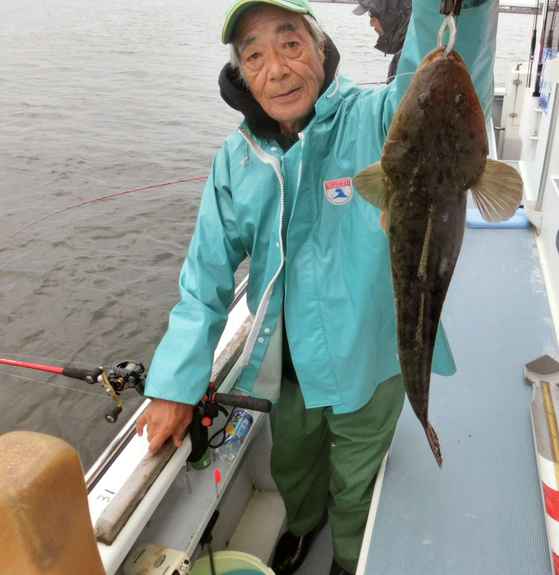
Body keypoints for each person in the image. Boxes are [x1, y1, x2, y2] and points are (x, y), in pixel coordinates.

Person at [135, 1, 498, 574]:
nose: (276, 69)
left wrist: (463, 8)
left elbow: (437, 74)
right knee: (294, 468)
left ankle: (349, 558)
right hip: (288, 372)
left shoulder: (376, 118)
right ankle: (304, 527)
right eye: (253, 55)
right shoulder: (236, 160)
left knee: (356, 482)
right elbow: (203, 282)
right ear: (241, 75)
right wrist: (175, 384)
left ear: (321, 51)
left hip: (369, 361)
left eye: (291, 44)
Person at [353, 0, 412, 82]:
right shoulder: (410, 51)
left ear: (391, 16)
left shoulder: (408, 61)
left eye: (372, 15)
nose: (371, 23)